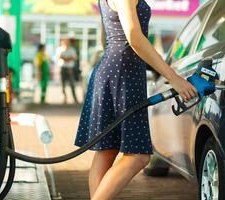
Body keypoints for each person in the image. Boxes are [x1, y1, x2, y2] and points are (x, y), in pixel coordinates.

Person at [74, 0, 198, 199]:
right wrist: (174, 78)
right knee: (138, 156)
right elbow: (134, 37)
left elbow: (104, 36)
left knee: (107, 149)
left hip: (114, 69)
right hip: (123, 73)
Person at [56, 38, 79, 104]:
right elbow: (60, 57)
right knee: (63, 84)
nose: (67, 43)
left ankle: (75, 99)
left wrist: (66, 58)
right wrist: (69, 58)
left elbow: (74, 58)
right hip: (62, 68)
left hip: (70, 68)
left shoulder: (72, 49)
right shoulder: (60, 49)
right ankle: (64, 98)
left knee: (72, 84)